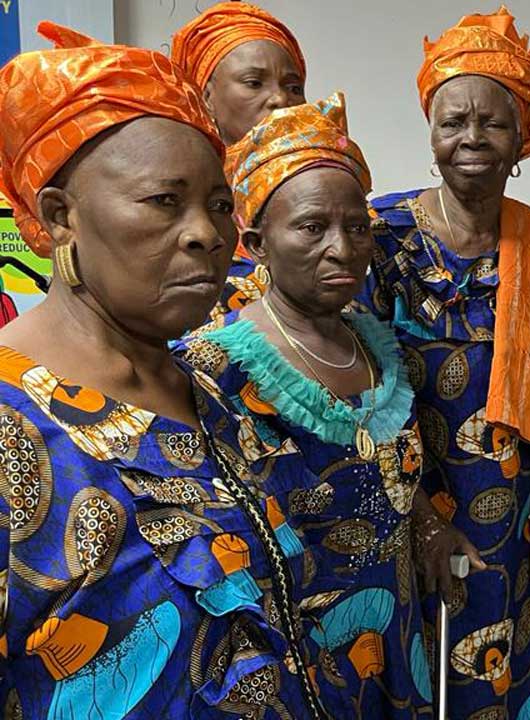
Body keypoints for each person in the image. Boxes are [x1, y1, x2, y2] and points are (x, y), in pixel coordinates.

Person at [0, 22, 323, 718]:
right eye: (164, 201)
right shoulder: (11, 426)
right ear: (60, 217)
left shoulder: (215, 394)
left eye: (219, 206)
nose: (207, 233)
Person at [175, 93, 446, 716]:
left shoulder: (379, 347)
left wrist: (429, 523)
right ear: (256, 242)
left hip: (396, 642)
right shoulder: (213, 369)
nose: (342, 248)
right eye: (311, 227)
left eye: (357, 227)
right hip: (296, 667)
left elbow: (387, 476)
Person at [355, 8, 530, 720]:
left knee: (502, 679)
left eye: (493, 123)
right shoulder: (378, 237)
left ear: (521, 140)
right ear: (431, 133)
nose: (472, 138)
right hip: (398, 504)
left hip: (509, 520)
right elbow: (357, 388)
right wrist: (423, 519)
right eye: (453, 121)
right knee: (408, 674)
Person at [171, 1, 308, 324]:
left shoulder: (328, 190)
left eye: (294, 87)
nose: (280, 99)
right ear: (206, 97)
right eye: (254, 83)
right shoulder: (176, 200)